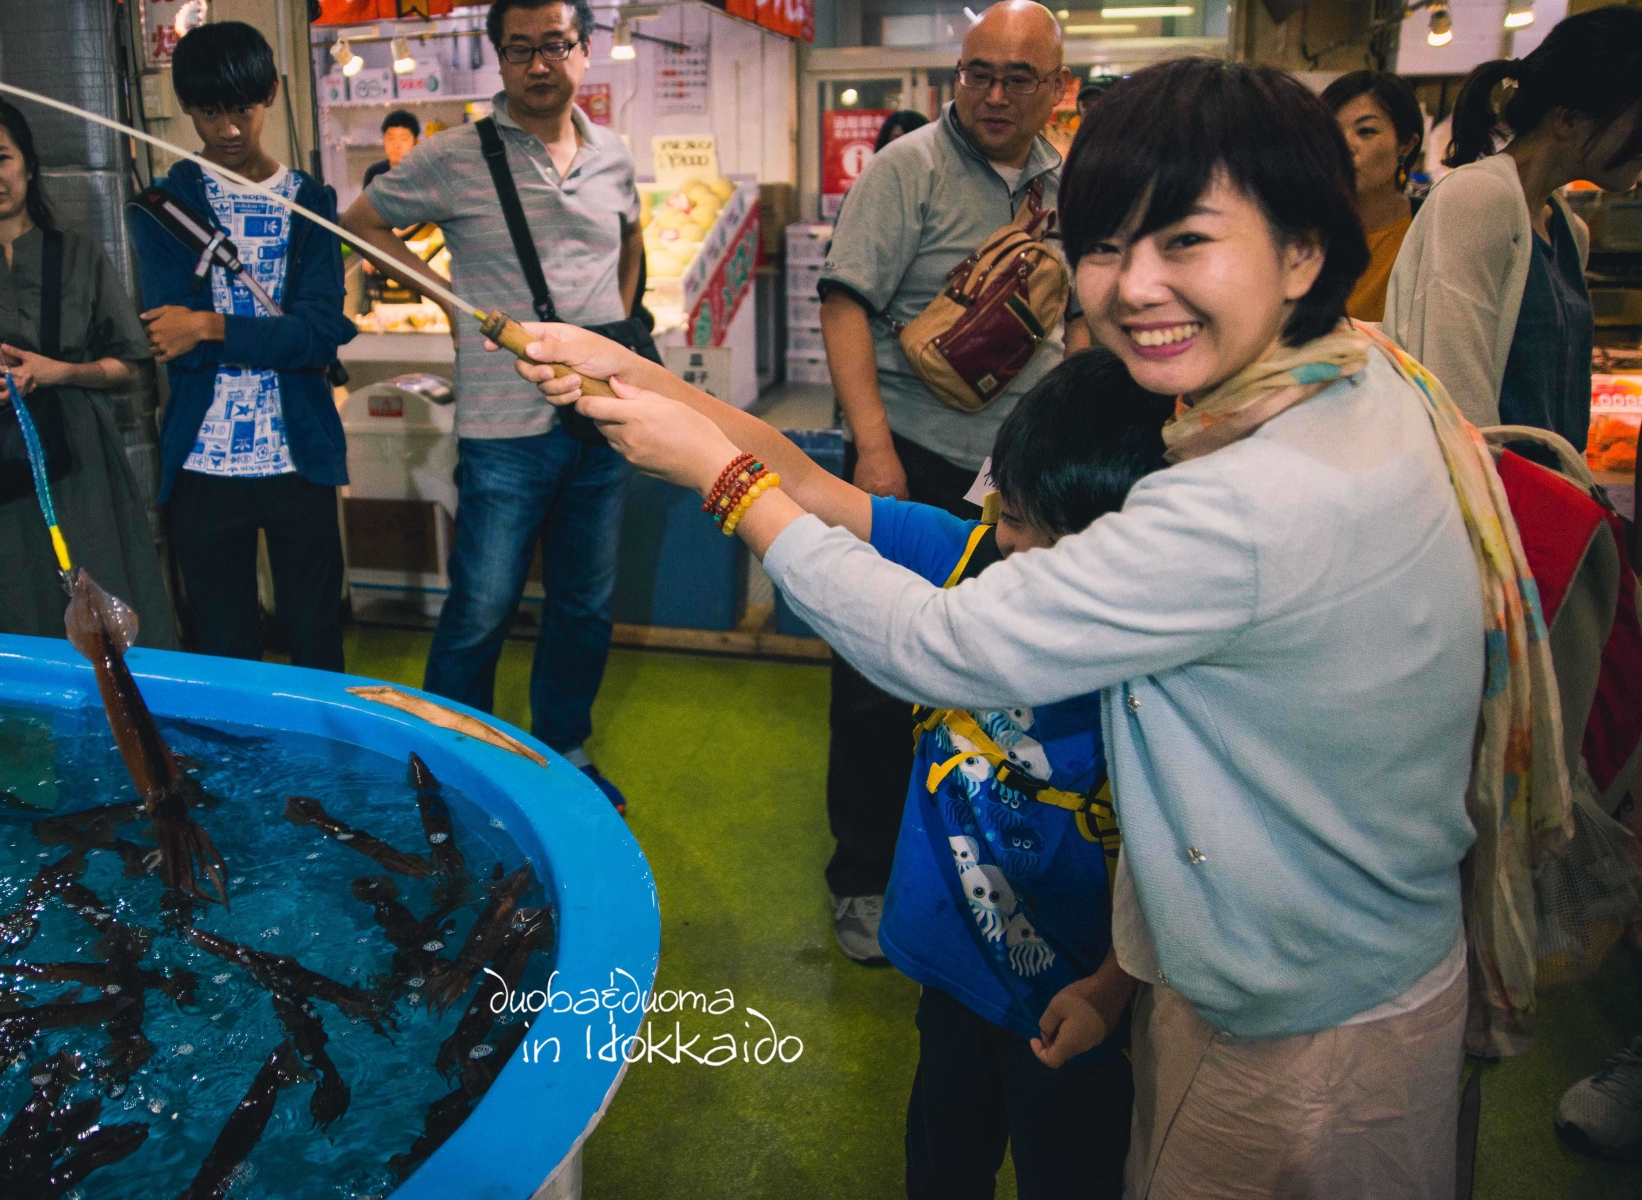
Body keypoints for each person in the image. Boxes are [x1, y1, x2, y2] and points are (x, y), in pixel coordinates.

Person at [520, 59, 1562, 1198]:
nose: (1130, 287)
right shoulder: (1355, 376)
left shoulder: (1241, 503)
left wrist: (716, 478)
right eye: (1106, 245)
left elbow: (934, 644)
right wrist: (635, 374)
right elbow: (829, 498)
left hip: (1293, 1024)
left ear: (1302, 251)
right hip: (1344, 963)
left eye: (1185, 241)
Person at [511, 334, 1165, 1196]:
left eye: (1032, 531)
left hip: (1075, 1004)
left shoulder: (1151, 668)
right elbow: (806, 482)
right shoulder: (967, 554)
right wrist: (643, 380)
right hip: (952, 970)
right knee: (939, 1162)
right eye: (1003, 510)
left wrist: (1114, 990)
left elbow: (1172, 860)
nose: (1004, 543)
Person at [813, 0, 1087, 962]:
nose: (996, 94)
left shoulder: (1069, 180)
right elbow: (847, 306)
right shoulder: (908, 169)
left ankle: (980, 864)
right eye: (978, 72)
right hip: (911, 452)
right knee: (879, 668)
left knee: (1000, 676)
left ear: (1059, 88)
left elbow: (1082, 318)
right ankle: (863, 874)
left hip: (1021, 478)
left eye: (1020, 77)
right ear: (955, 77)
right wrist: (873, 446)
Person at [340, 0, 644, 813]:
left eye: (555, 44)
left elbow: (629, 243)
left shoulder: (614, 153)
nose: (539, 63)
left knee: (585, 604)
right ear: (500, 60)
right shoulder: (454, 156)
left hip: (602, 415)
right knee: (481, 604)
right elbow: (361, 222)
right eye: (520, 49)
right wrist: (443, 294)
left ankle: (565, 748)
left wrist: (615, 324)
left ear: (583, 51)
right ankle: (446, 761)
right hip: (502, 424)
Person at [0, 96, 177, 649]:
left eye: (1, 157)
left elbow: (131, 366)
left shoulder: (79, 255)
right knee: (15, 602)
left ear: (28, 164)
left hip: (81, 459)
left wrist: (57, 371)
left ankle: (134, 727)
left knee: (105, 598)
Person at [130, 21, 353, 668]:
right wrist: (232, 336)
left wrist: (211, 324)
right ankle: (236, 770)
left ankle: (327, 767)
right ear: (187, 107)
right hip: (202, 461)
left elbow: (318, 336)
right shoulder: (161, 208)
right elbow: (178, 346)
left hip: (299, 455)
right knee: (222, 650)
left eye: (242, 108)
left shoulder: (310, 201)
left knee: (317, 640)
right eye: (208, 111)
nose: (227, 129)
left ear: (272, 95)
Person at [1386, 7, 1642, 449]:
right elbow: (1458, 399)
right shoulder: (1478, 199)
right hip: (1497, 501)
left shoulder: (1567, 229)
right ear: (1566, 119)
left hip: (1550, 497)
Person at [1323, 69, 1424, 321]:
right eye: (1332, 132)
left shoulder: (1426, 232)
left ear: (1406, 145)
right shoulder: (1299, 229)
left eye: (1366, 131)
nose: (1345, 146)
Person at [364, 109, 422, 187]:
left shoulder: (425, 174)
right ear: (383, 140)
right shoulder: (375, 173)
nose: (396, 145)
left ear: (416, 142)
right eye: (391, 138)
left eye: (403, 139)